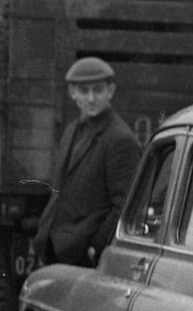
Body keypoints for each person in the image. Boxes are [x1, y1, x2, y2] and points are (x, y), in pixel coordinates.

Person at [33, 57, 142, 266]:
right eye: (84, 91)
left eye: (98, 90)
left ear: (111, 91)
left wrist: (96, 247)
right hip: (59, 249)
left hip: (85, 256)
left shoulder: (119, 139)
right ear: (72, 93)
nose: (91, 98)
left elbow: (125, 205)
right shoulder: (71, 131)